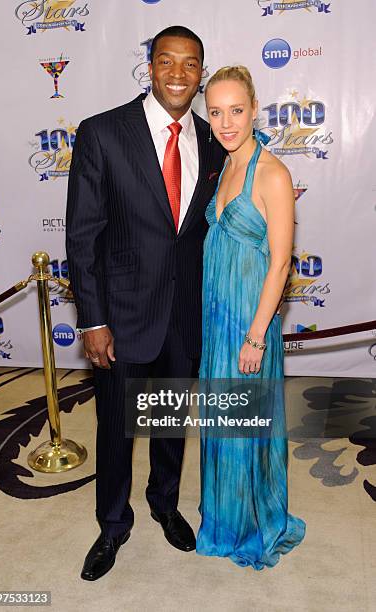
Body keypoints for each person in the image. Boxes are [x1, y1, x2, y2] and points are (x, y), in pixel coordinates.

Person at [65, 26, 225, 581]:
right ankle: (112, 525)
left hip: (185, 316)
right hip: (122, 315)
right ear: (150, 67)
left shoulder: (210, 141)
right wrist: (94, 318)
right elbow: (82, 236)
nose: (178, 74)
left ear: (201, 73)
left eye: (190, 64)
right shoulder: (103, 133)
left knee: (170, 423)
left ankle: (164, 502)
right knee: (116, 429)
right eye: (167, 62)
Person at [196, 66, 306, 568]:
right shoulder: (224, 167)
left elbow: (280, 261)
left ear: (255, 108)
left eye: (236, 110)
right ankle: (224, 515)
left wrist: (257, 336)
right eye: (215, 112)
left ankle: (250, 524)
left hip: (249, 324)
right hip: (218, 321)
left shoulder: (272, 173)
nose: (226, 122)